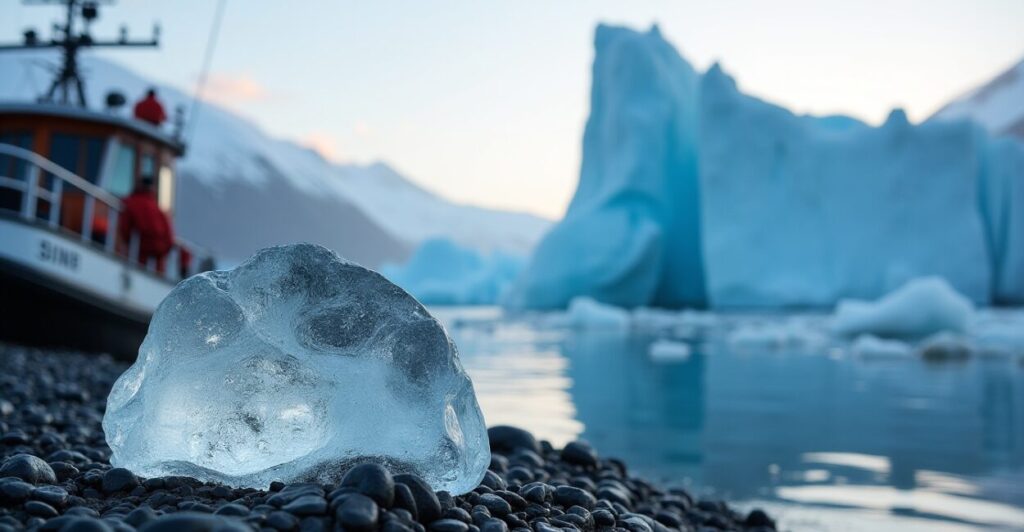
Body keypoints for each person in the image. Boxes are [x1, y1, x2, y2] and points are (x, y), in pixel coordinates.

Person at [118, 177, 174, 273]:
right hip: (157, 258)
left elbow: (124, 229)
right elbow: (169, 238)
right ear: (152, 189)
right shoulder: (159, 211)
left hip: (138, 254)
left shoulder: (131, 203)